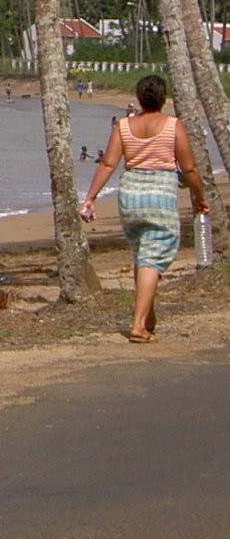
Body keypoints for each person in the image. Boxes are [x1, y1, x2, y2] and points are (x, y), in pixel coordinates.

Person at [82, 74, 210, 342]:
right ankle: (138, 325)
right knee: (152, 258)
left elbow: (108, 164)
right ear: (163, 99)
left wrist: (91, 197)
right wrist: (200, 196)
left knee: (142, 254)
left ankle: (148, 317)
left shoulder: (123, 126)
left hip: (130, 196)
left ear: (139, 98)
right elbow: (189, 168)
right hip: (159, 196)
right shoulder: (173, 126)